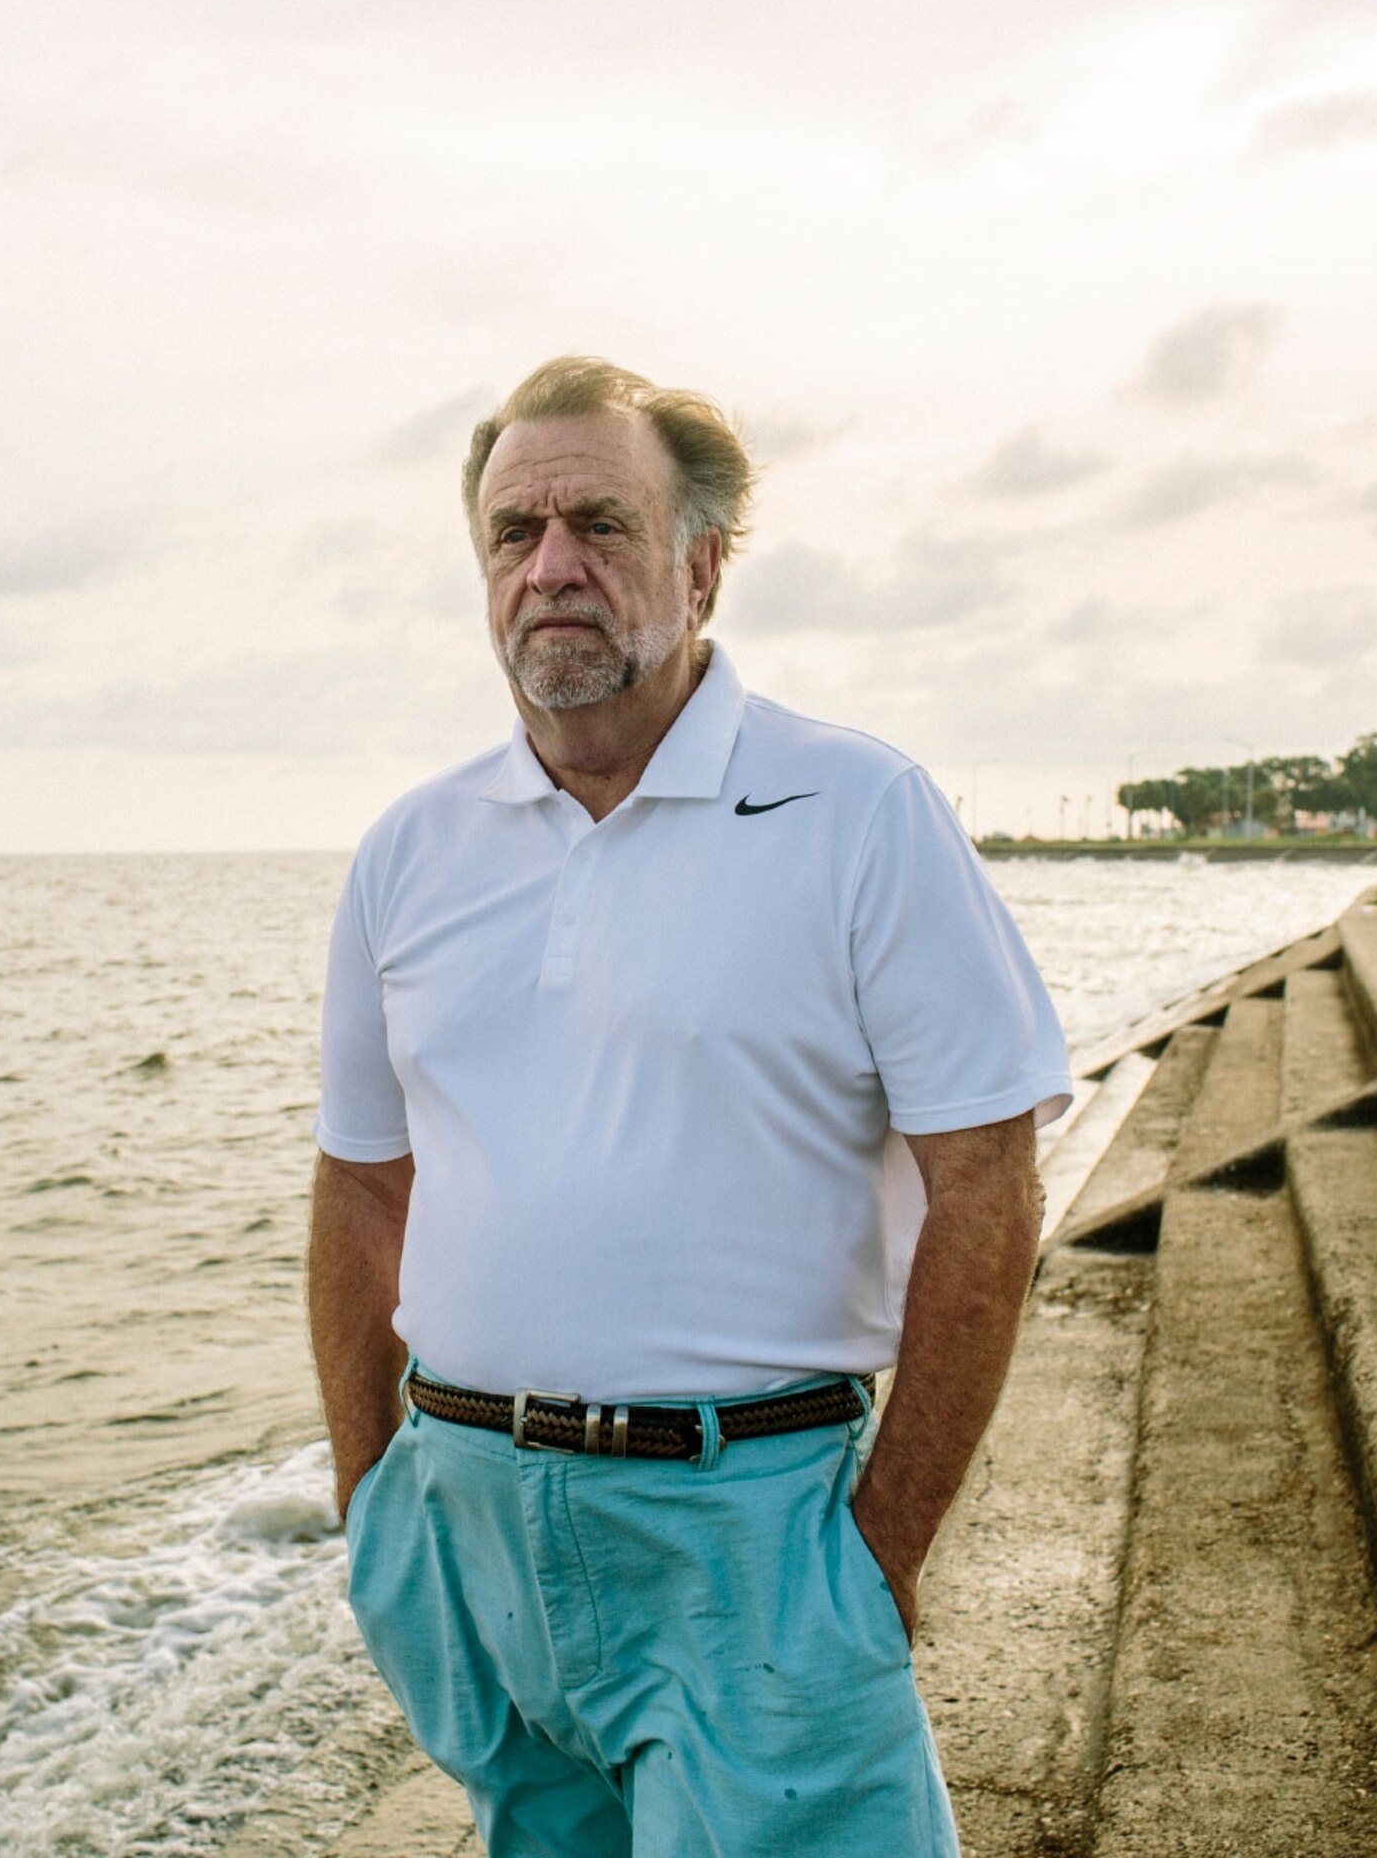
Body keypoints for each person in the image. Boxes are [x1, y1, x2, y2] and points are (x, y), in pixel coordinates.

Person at [308, 355, 1071, 1856]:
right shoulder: (412, 849)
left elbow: (988, 1183)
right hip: (465, 1532)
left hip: (750, 1533)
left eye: (601, 523)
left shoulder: (857, 812)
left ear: (702, 565)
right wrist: (374, 1507)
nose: (553, 569)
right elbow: (362, 1188)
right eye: (513, 536)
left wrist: (880, 1549)